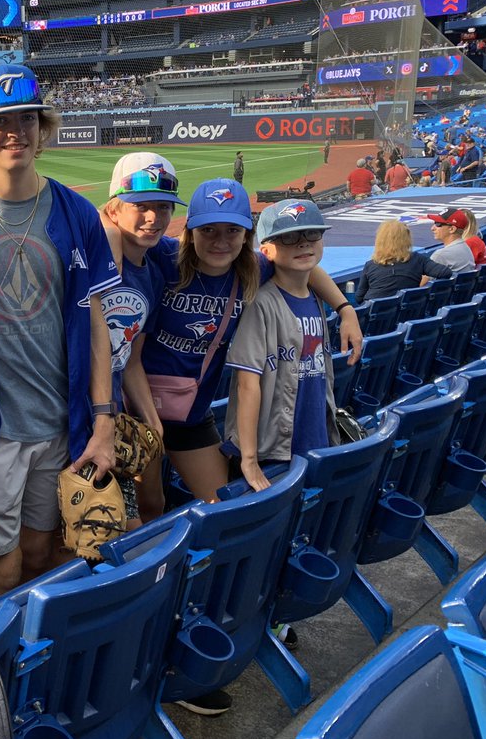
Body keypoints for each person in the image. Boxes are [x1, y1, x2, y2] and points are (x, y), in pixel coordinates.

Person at [0, 64, 119, 604]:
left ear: (42, 126)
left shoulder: (76, 211)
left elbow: (96, 324)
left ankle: (33, 670)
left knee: (42, 554)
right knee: (1, 566)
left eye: (26, 118)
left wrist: (105, 421)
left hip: (61, 424)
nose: (15, 130)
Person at [136, 179, 360, 511]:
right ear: (190, 231)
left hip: (191, 414)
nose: (220, 241)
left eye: (232, 231)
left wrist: (346, 310)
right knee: (151, 503)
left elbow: (306, 266)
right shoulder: (164, 257)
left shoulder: (253, 267)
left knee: (224, 505)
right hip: (139, 407)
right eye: (208, 230)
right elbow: (115, 237)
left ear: (247, 236)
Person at [224, 199, 341, 495]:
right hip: (270, 451)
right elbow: (247, 386)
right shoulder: (260, 304)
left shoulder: (316, 298)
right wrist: (249, 460)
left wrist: (346, 309)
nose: (303, 243)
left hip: (313, 436)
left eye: (312, 234)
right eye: (289, 237)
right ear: (266, 250)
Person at [98, 153, 175, 529]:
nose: (153, 218)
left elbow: (130, 359)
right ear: (114, 210)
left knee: (140, 516)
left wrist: (152, 420)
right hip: (71, 418)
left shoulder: (153, 276)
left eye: (163, 207)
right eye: (141, 206)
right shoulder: (91, 253)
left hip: (112, 412)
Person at [354, 219, 453, 303]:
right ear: (407, 238)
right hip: (409, 312)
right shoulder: (418, 259)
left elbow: (359, 298)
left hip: (375, 317)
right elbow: (445, 272)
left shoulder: (370, 265)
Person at [426, 207, 478, 273]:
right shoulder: (466, 247)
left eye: (438, 224)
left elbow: (420, 282)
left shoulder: (441, 255)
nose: (432, 228)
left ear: (452, 229)